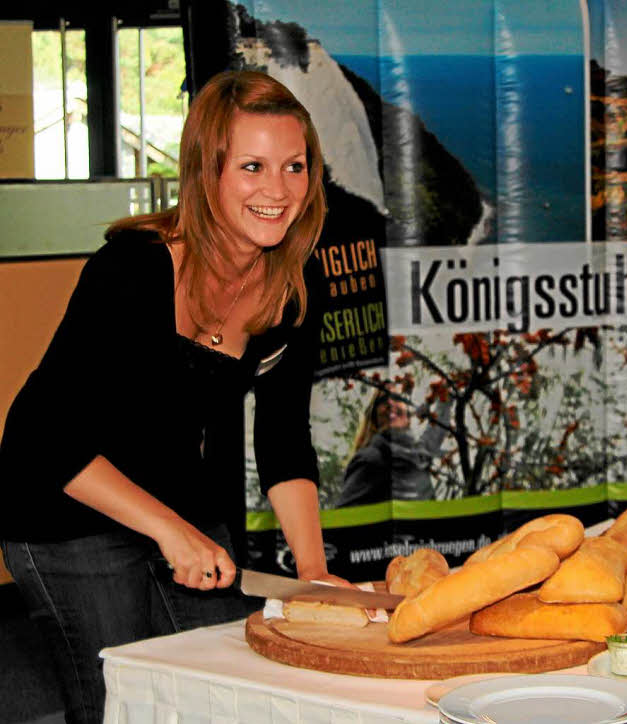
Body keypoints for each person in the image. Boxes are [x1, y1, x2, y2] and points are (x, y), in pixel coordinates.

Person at [0, 70, 349, 724]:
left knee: (228, 691)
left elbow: (281, 438)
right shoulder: (133, 269)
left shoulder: (296, 282)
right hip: (66, 506)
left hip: (180, 502)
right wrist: (170, 532)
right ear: (207, 172)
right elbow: (41, 438)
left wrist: (313, 573)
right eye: (252, 166)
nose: (278, 191)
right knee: (123, 700)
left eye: (294, 166)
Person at [337, 386, 450, 506]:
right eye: (383, 400)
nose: (390, 403)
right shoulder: (370, 458)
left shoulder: (419, 454)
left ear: (408, 416)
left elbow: (436, 431)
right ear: (375, 419)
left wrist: (445, 397)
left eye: (397, 398)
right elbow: (345, 513)